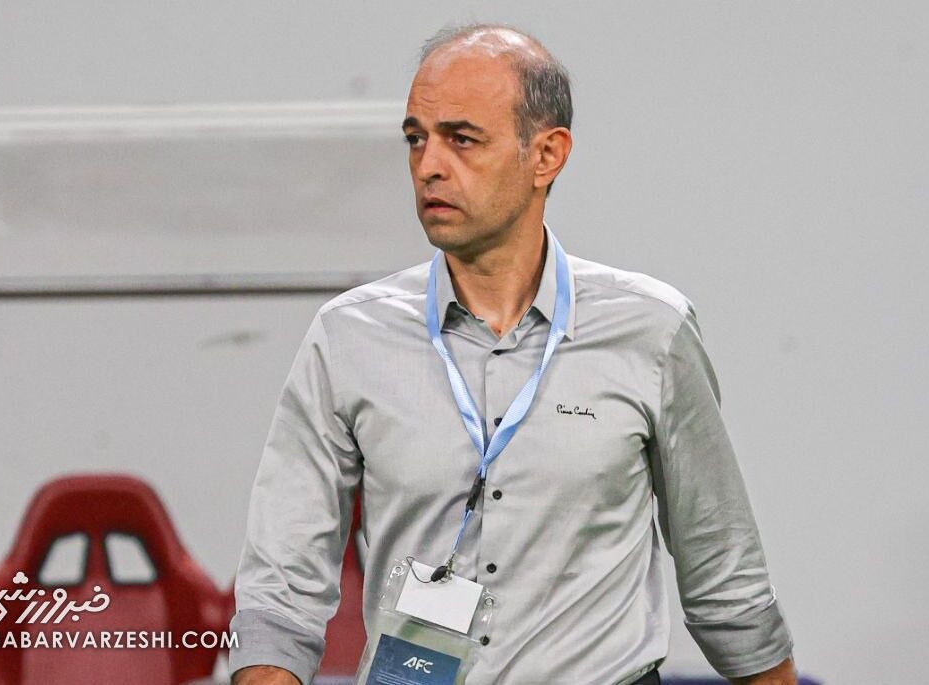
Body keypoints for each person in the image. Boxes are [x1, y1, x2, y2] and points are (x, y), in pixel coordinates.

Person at [229, 23, 797, 685]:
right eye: (416, 138)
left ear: (546, 155)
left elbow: (725, 578)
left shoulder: (649, 330)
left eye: (461, 139)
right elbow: (279, 594)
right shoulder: (349, 336)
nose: (428, 165)